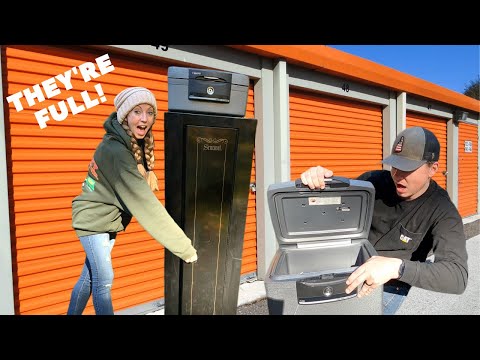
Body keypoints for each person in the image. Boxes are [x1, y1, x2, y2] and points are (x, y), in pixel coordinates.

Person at [300, 126, 468, 315]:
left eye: (408, 168)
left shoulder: (442, 210)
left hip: (389, 283)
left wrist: (396, 266)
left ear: (433, 168)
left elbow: (457, 276)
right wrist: (319, 181)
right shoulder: (373, 181)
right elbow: (332, 206)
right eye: (395, 165)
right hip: (348, 265)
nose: (397, 175)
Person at [67, 87, 198, 315]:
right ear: (125, 115)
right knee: (104, 281)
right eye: (137, 111)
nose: (144, 118)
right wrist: (184, 248)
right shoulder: (116, 150)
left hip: (106, 221)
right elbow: (146, 206)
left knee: (89, 278)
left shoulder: (128, 142)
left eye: (149, 112)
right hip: (93, 221)